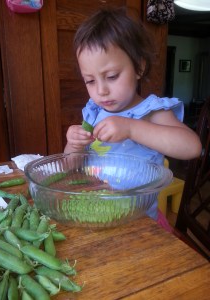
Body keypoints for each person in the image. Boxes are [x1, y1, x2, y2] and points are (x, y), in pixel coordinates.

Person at [64, 7, 202, 231]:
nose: (101, 91)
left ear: (139, 67)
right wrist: (73, 144)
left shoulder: (152, 111)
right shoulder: (93, 112)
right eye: (89, 80)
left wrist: (132, 128)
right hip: (96, 214)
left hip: (138, 221)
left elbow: (192, 147)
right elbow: (70, 166)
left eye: (111, 77)